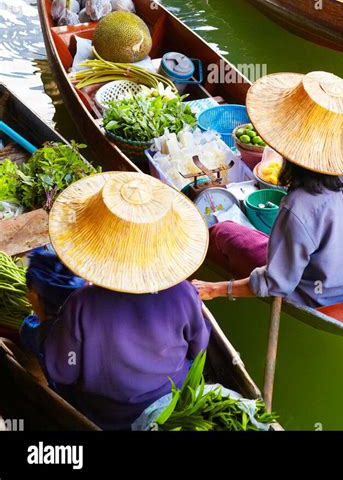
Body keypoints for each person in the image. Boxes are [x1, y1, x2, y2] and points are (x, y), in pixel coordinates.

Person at [24, 172, 210, 430]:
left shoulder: (81, 305)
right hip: (170, 402)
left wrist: (44, 319)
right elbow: (198, 348)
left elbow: (64, 371)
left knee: (33, 336)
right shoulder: (184, 293)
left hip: (107, 415)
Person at [193, 71, 343, 308]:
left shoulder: (300, 206)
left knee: (224, 231)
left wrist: (216, 289)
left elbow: (276, 284)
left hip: (319, 296)